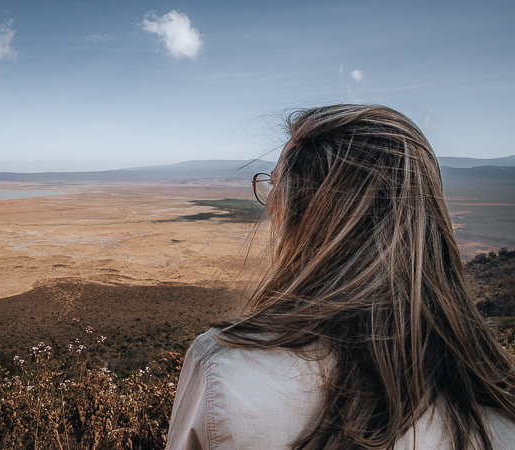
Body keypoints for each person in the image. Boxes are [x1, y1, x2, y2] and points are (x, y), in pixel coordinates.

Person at [166, 104, 515, 449]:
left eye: (277, 185)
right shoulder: (499, 403)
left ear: (304, 211)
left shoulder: (225, 370)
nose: (270, 201)